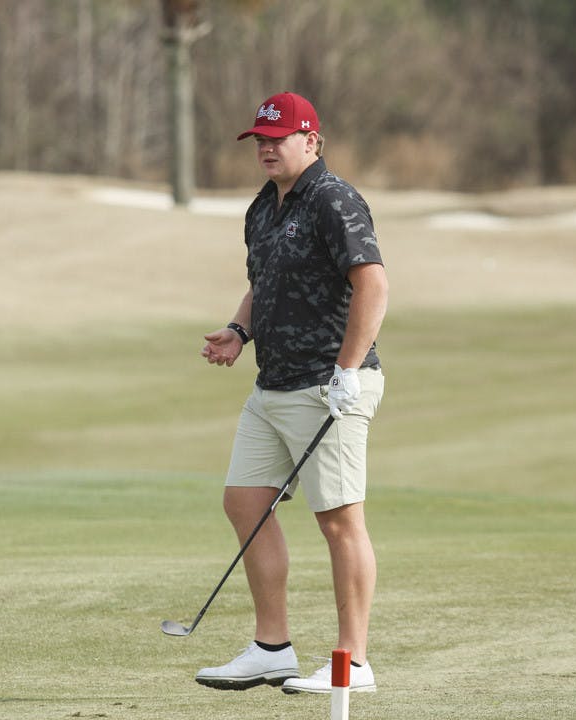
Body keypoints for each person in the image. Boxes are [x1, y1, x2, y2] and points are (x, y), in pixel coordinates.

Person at [194, 92, 388, 695]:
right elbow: (264, 281)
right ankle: (272, 647)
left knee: (338, 520)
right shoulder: (262, 207)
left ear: (312, 140)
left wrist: (348, 370)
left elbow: (373, 285)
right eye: (260, 139)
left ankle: (352, 663)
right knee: (245, 502)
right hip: (273, 383)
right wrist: (238, 329)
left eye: (279, 138)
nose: (267, 148)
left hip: (328, 386)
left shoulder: (335, 199)